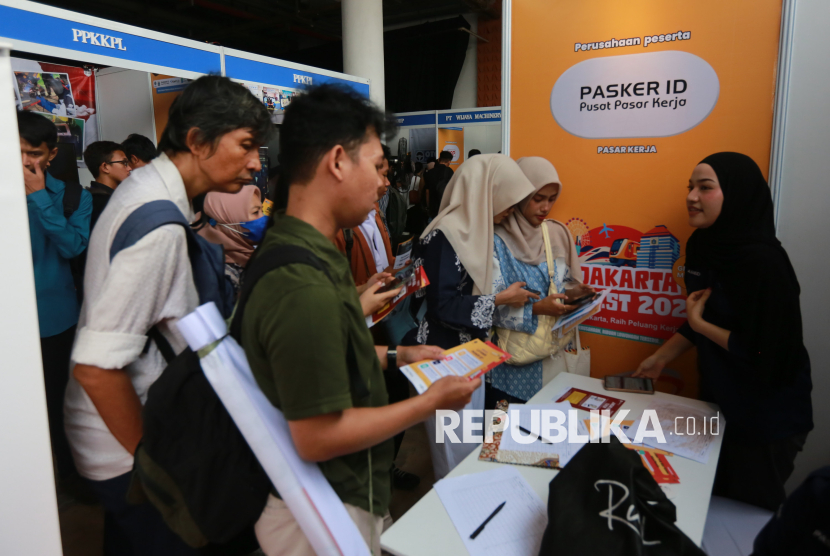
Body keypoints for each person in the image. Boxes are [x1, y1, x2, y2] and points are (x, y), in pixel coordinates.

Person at [240, 84, 479, 555]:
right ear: (336, 161)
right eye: (375, 167)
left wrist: (398, 354)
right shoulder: (301, 280)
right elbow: (317, 436)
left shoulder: (313, 253)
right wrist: (429, 403)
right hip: (320, 507)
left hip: (341, 490)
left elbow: (321, 356)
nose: (383, 183)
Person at [65, 75, 272, 556]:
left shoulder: (147, 188)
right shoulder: (158, 226)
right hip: (128, 444)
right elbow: (96, 368)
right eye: (245, 145)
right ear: (197, 140)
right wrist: (156, 466)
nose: (257, 163)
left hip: (116, 439)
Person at [633, 152, 813, 511]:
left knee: (745, 518)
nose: (691, 196)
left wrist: (700, 325)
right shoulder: (702, 245)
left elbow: (766, 352)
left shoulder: (765, 263)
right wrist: (660, 358)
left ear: (737, 194)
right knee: (703, 506)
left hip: (765, 416)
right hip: (717, 402)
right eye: (690, 186)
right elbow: (705, 316)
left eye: (705, 187)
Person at [411, 154, 536, 478]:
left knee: (466, 449)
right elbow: (442, 306)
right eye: (507, 201)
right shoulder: (444, 236)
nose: (510, 210)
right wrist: (500, 300)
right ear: (484, 192)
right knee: (452, 457)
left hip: (470, 357)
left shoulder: (477, 233)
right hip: (443, 358)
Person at [19, 110, 92, 488]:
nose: (25, 161)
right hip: (10, 325)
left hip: (55, 321)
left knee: (61, 406)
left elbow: (73, 248)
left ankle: (69, 478)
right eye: (17, 152)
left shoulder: (73, 197)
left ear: (50, 155)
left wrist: (38, 200)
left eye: (34, 153)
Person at [488, 157, 594, 408]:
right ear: (520, 194)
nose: (545, 207)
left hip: (553, 361)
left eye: (552, 198)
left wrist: (576, 294)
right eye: (538, 198)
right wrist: (537, 308)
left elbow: (564, 282)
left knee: (550, 437)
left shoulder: (557, 233)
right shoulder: (494, 239)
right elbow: (484, 307)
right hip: (510, 369)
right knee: (506, 440)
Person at [334, 146, 395, 286]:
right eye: (384, 175)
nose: (386, 183)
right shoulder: (337, 227)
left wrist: (397, 269)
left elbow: (382, 263)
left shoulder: (375, 213)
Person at [197, 185, 264, 295]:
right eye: (255, 212)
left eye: (262, 210)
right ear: (227, 218)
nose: (263, 218)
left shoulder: (252, 257)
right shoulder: (219, 277)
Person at [83, 140, 132, 231]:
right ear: (105, 167)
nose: (129, 168)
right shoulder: (104, 203)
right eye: (124, 163)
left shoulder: (88, 197)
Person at [424, 150, 454, 218]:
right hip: (445, 208)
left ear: (439, 159)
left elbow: (427, 192)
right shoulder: (449, 171)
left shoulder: (430, 172)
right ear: (449, 161)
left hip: (433, 208)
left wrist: (428, 207)